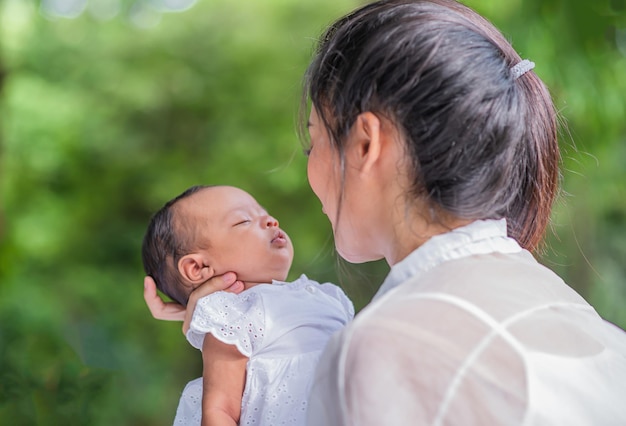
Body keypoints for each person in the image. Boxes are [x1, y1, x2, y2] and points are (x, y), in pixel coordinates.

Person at [145, 0, 626, 424]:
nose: (309, 168)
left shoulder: (383, 349)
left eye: (313, 141)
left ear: (366, 143)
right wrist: (232, 321)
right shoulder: (576, 319)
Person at [141, 185, 354, 425]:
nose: (270, 220)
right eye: (243, 221)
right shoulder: (232, 317)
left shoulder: (326, 296)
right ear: (198, 268)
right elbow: (220, 410)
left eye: (264, 212)